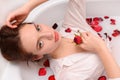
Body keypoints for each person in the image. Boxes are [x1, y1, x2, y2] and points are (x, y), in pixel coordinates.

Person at [0, 0, 120, 80]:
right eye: (40, 44)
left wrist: (28, 7)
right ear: (37, 56)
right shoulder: (67, 73)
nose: (49, 34)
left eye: (38, 28)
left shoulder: (71, 25)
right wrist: (100, 47)